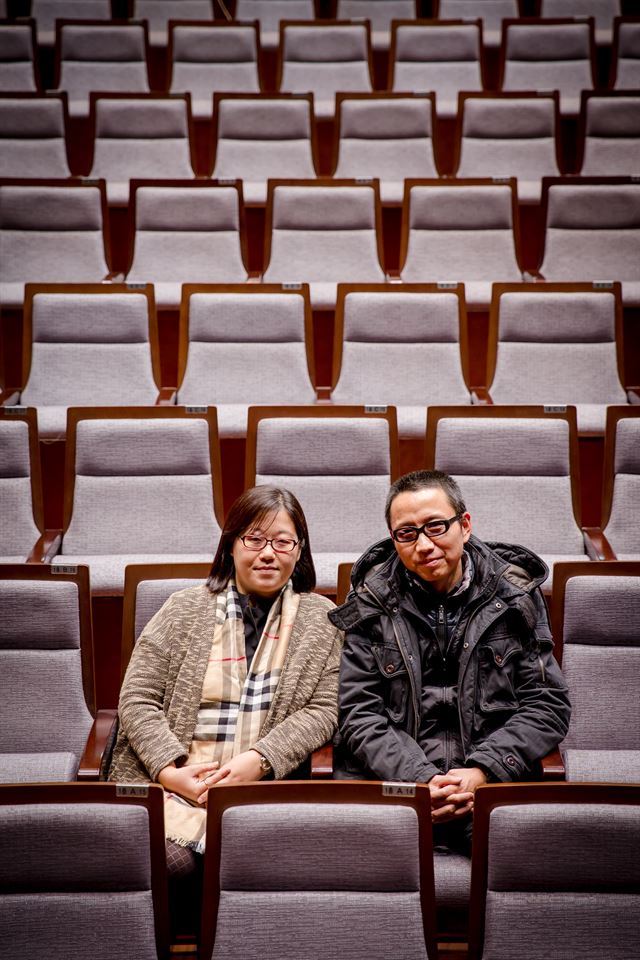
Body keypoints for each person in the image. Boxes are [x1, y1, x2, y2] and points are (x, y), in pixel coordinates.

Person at [109, 485, 342, 925]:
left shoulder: (322, 620)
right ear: (231, 546)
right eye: (254, 539)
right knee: (171, 863)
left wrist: (260, 759)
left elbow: (326, 709)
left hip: (259, 789)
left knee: (248, 858)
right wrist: (171, 771)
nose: (268, 553)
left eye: (283, 541)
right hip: (169, 784)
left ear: (300, 550)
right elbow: (137, 698)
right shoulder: (184, 608)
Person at [328, 469, 571, 854]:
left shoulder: (515, 596)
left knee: (537, 860)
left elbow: (548, 704)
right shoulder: (370, 603)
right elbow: (358, 713)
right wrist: (420, 779)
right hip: (398, 785)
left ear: (465, 525)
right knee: (351, 863)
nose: (424, 545)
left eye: (436, 527)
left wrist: (483, 771)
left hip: (488, 784)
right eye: (406, 533)